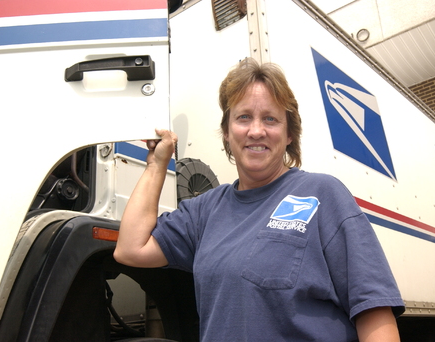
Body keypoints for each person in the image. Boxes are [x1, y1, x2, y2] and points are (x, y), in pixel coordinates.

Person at [114, 58, 405, 341]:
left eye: (270, 118)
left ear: (289, 133)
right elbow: (130, 249)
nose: (256, 130)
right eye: (243, 117)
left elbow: (374, 312)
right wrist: (156, 164)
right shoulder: (204, 210)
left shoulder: (323, 194)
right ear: (227, 133)